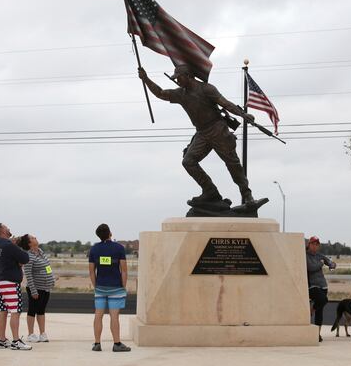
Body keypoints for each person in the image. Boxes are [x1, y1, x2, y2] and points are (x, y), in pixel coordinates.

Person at [138, 65, 256, 204]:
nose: (177, 81)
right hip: (202, 133)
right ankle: (210, 191)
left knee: (232, 163)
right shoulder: (180, 94)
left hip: (217, 129)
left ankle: (246, 194)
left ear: (188, 76)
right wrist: (145, 79)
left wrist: (243, 114)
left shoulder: (206, 88)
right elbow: (161, 93)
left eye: (179, 78)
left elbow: (225, 104)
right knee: (188, 161)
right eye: (176, 79)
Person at [88, 223, 130, 352]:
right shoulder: (119, 248)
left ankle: (97, 344)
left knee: (98, 315)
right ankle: (117, 344)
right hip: (116, 287)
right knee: (114, 316)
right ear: (110, 233)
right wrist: (123, 286)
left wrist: (96, 286)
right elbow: (124, 270)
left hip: (100, 287)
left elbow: (91, 271)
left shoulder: (94, 249)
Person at [0, 223, 32, 350]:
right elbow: (25, 258)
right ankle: (16, 341)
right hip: (9, 282)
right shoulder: (7, 244)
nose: (9, 229)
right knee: (15, 310)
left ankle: (2, 339)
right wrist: (17, 246)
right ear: (2, 231)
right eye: (7, 227)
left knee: (3, 310)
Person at [18, 234, 55, 343]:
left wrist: (51, 279)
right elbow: (28, 274)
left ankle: (42, 333)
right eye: (33, 238)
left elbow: (48, 267)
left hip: (46, 287)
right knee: (32, 311)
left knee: (41, 311)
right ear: (29, 243)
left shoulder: (41, 252)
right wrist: (33, 290)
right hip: (35, 288)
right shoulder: (28, 256)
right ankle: (30, 334)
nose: (35, 238)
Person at [306, 236, 336, 342]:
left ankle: (317, 334)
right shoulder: (305, 256)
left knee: (320, 311)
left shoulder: (320, 255)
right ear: (309, 244)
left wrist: (332, 264)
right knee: (323, 300)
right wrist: (321, 263)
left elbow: (331, 263)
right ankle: (312, 309)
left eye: (317, 244)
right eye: (313, 244)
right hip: (312, 286)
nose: (315, 246)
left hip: (323, 285)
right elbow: (311, 267)